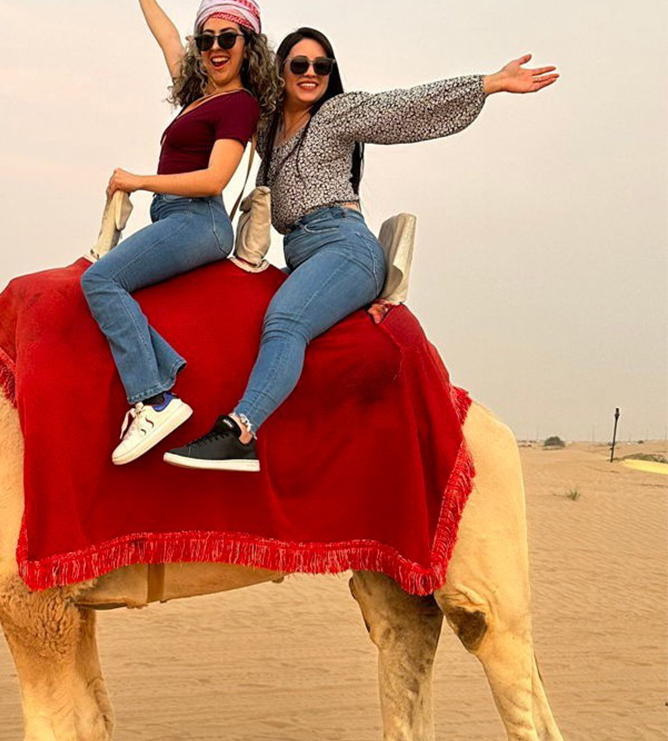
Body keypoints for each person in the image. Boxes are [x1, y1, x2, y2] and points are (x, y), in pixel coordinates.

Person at [163, 27, 558, 471]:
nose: (311, 73)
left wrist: (489, 83)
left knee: (285, 320)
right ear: (280, 72)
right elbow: (199, 74)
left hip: (344, 245)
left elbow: (405, 106)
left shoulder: (337, 113)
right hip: (302, 253)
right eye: (299, 65)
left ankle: (241, 430)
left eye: (322, 66)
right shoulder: (266, 126)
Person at [82, 0, 281, 465]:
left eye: (227, 38)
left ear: (248, 46)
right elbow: (168, 36)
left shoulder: (239, 104)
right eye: (206, 39)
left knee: (100, 281)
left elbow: (214, 179)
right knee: (105, 281)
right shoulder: (198, 95)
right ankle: (163, 377)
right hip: (174, 216)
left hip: (198, 218)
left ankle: (154, 400)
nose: (216, 48)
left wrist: (138, 180)